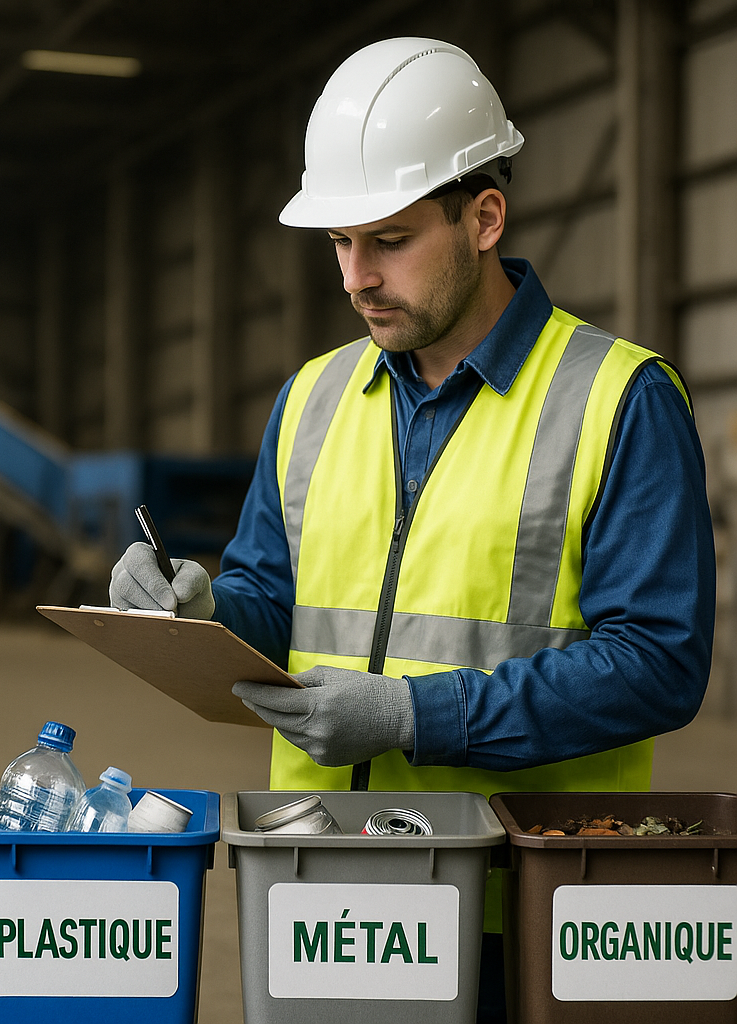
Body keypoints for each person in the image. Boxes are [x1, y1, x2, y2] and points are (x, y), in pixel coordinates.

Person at [109, 37, 715, 1022]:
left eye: (388, 239)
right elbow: (276, 607)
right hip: (319, 878)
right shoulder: (312, 396)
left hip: (511, 895)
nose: (355, 278)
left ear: (483, 218)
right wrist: (203, 605)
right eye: (339, 243)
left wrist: (413, 717)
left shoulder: (617, 399)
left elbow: (657, 663)